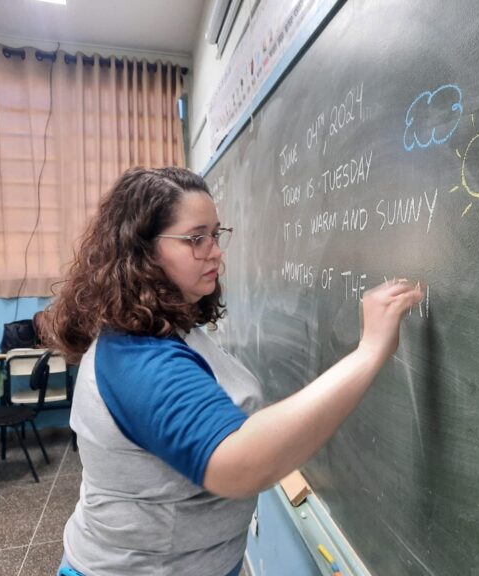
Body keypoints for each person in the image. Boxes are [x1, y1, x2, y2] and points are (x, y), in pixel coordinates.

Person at [46, 166, 423, 576]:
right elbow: (241, 465)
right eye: (196, 239)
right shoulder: (137, 358)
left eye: (215, 235)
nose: (215, 251)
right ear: (143, 251)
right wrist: (369, 352)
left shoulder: (172, 329)